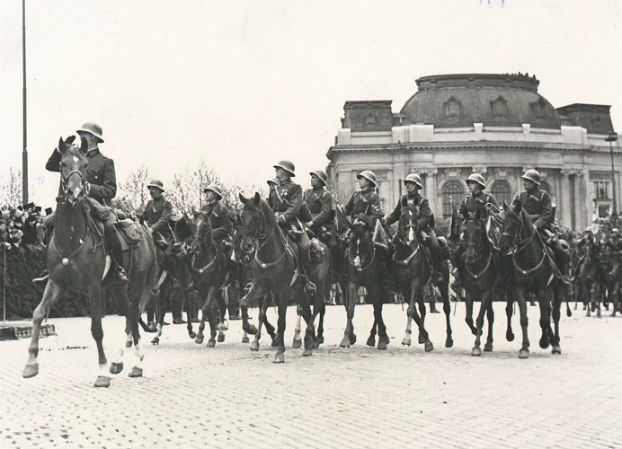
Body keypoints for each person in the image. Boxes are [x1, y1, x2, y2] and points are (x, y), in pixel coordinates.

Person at [33, 122, 128, 284]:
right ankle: (49, 268)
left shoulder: (105, 161)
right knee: (47, 225)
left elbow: (110, 190)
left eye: (84, 133)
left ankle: (118, 267)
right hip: (73, 204)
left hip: (98, 206)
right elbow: (49, 166)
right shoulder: (73, 158)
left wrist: (89, 188)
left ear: (93, 139)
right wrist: (60, 149)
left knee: (111, 228)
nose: (81, 136)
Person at [384, 173, 445, 283]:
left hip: (421, 230)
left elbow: (426, 217)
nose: (408, 186)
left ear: (417, 186)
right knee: (390, 247)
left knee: (435, 246)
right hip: (405, 231)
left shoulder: (423, 201)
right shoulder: (402, 200)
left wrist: (414, 225)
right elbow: (396, 214)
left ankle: (436, 272)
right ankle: (390, 275)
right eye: (407, 184)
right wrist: (387, 220)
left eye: (411, 184)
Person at [269, 160, 314, 291]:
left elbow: (295, 208)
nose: (276, 170)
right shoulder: (274, 190)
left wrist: (282, 217)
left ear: (286, 172)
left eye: (279, 169)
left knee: (305, 246)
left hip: (291, 224)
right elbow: (270, 208)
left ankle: (306, 279)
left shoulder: (295, 188)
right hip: (275, 224)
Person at [514, 169, 569, 277]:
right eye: (524, 180)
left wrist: (535, 225)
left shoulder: (544, 196)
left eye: (527, 181)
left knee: (559, 249)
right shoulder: (519, 196)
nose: (524, 183)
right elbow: (513, 211)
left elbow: (547, 215)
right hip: (522, 230)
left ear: (534, 183)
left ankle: (562, 276)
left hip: (541, 229)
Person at [452, 173, 499, 290]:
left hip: (485, 228)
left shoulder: (489, 198)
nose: (470, 186)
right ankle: (458, 273)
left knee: (497, 249)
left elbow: (497, 213)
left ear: (479, 185)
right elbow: (461, 213)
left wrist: (488, 209)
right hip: (471, 230)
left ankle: (501, 273)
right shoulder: (466, 199)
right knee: (458, 250)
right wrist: (458, 215)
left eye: (472, 183)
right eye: (469, 184)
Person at [304, 170, 336, 248]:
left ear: (320, 180)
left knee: (333, 245)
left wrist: (312, 222)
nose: (311, 179)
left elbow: (325, 213)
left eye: (314, 177)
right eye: (311, 177)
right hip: (306, 223)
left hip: (321, 225)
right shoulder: (306, 193)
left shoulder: (326, 194)